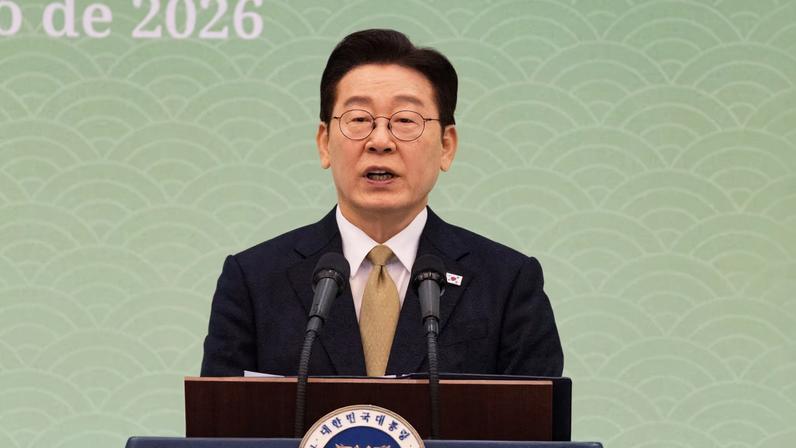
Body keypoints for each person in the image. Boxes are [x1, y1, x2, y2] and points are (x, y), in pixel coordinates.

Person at [201, 29, 563, 377]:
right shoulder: (254, 281)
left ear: (446, 146)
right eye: (359, 119)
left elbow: (535, 434)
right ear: (325, 142)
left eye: (406, 120)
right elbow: (217, 431)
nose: (380, 141)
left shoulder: (507, 283)